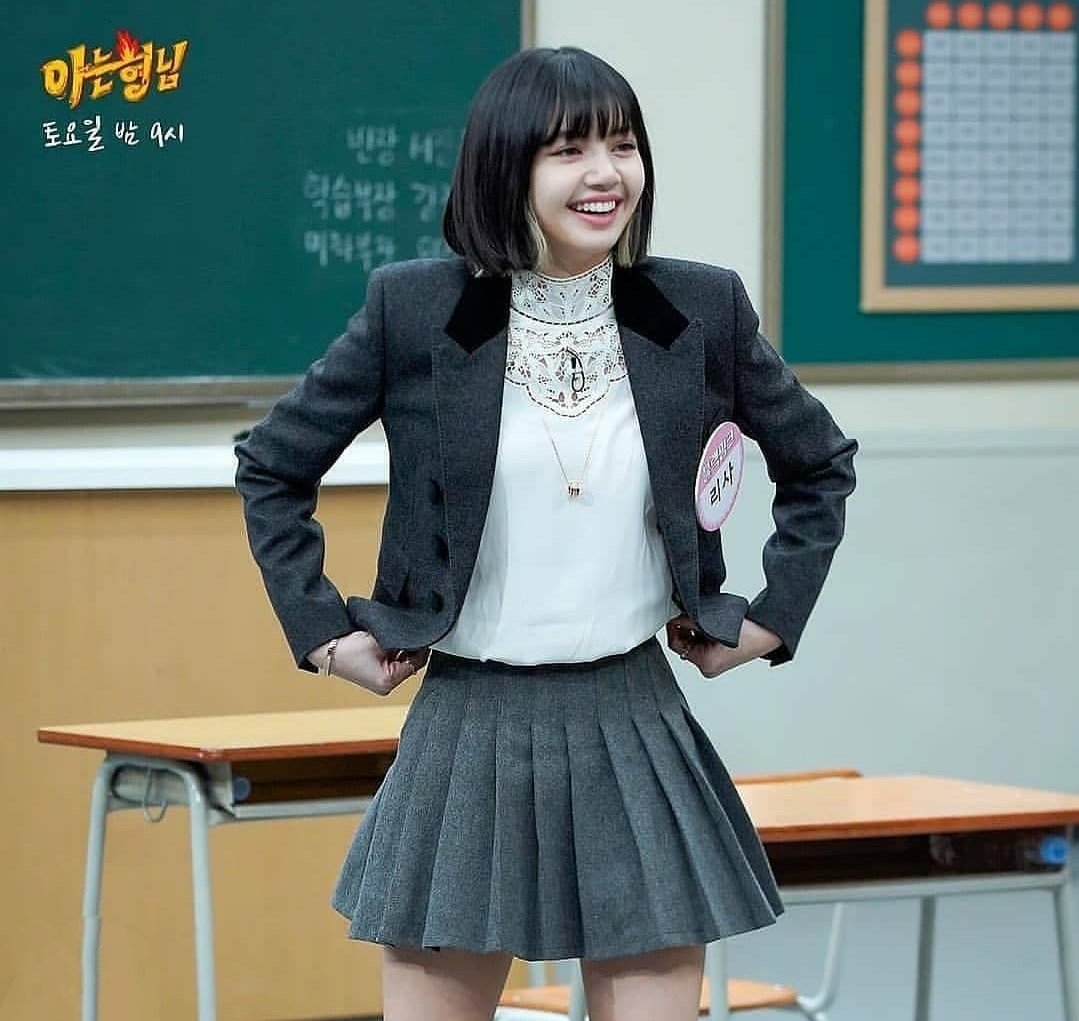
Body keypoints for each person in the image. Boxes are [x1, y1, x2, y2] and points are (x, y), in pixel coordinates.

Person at [236, 46, 857, 1021]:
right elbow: (273, 466)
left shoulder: (699, 308)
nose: (605, 173)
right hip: (464, 725)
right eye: (569, 151)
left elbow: (817, 463)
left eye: (622, 145)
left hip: (635, 720)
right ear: (505, 167)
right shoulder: (416, 309)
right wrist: (323, 631)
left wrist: (771, 618)